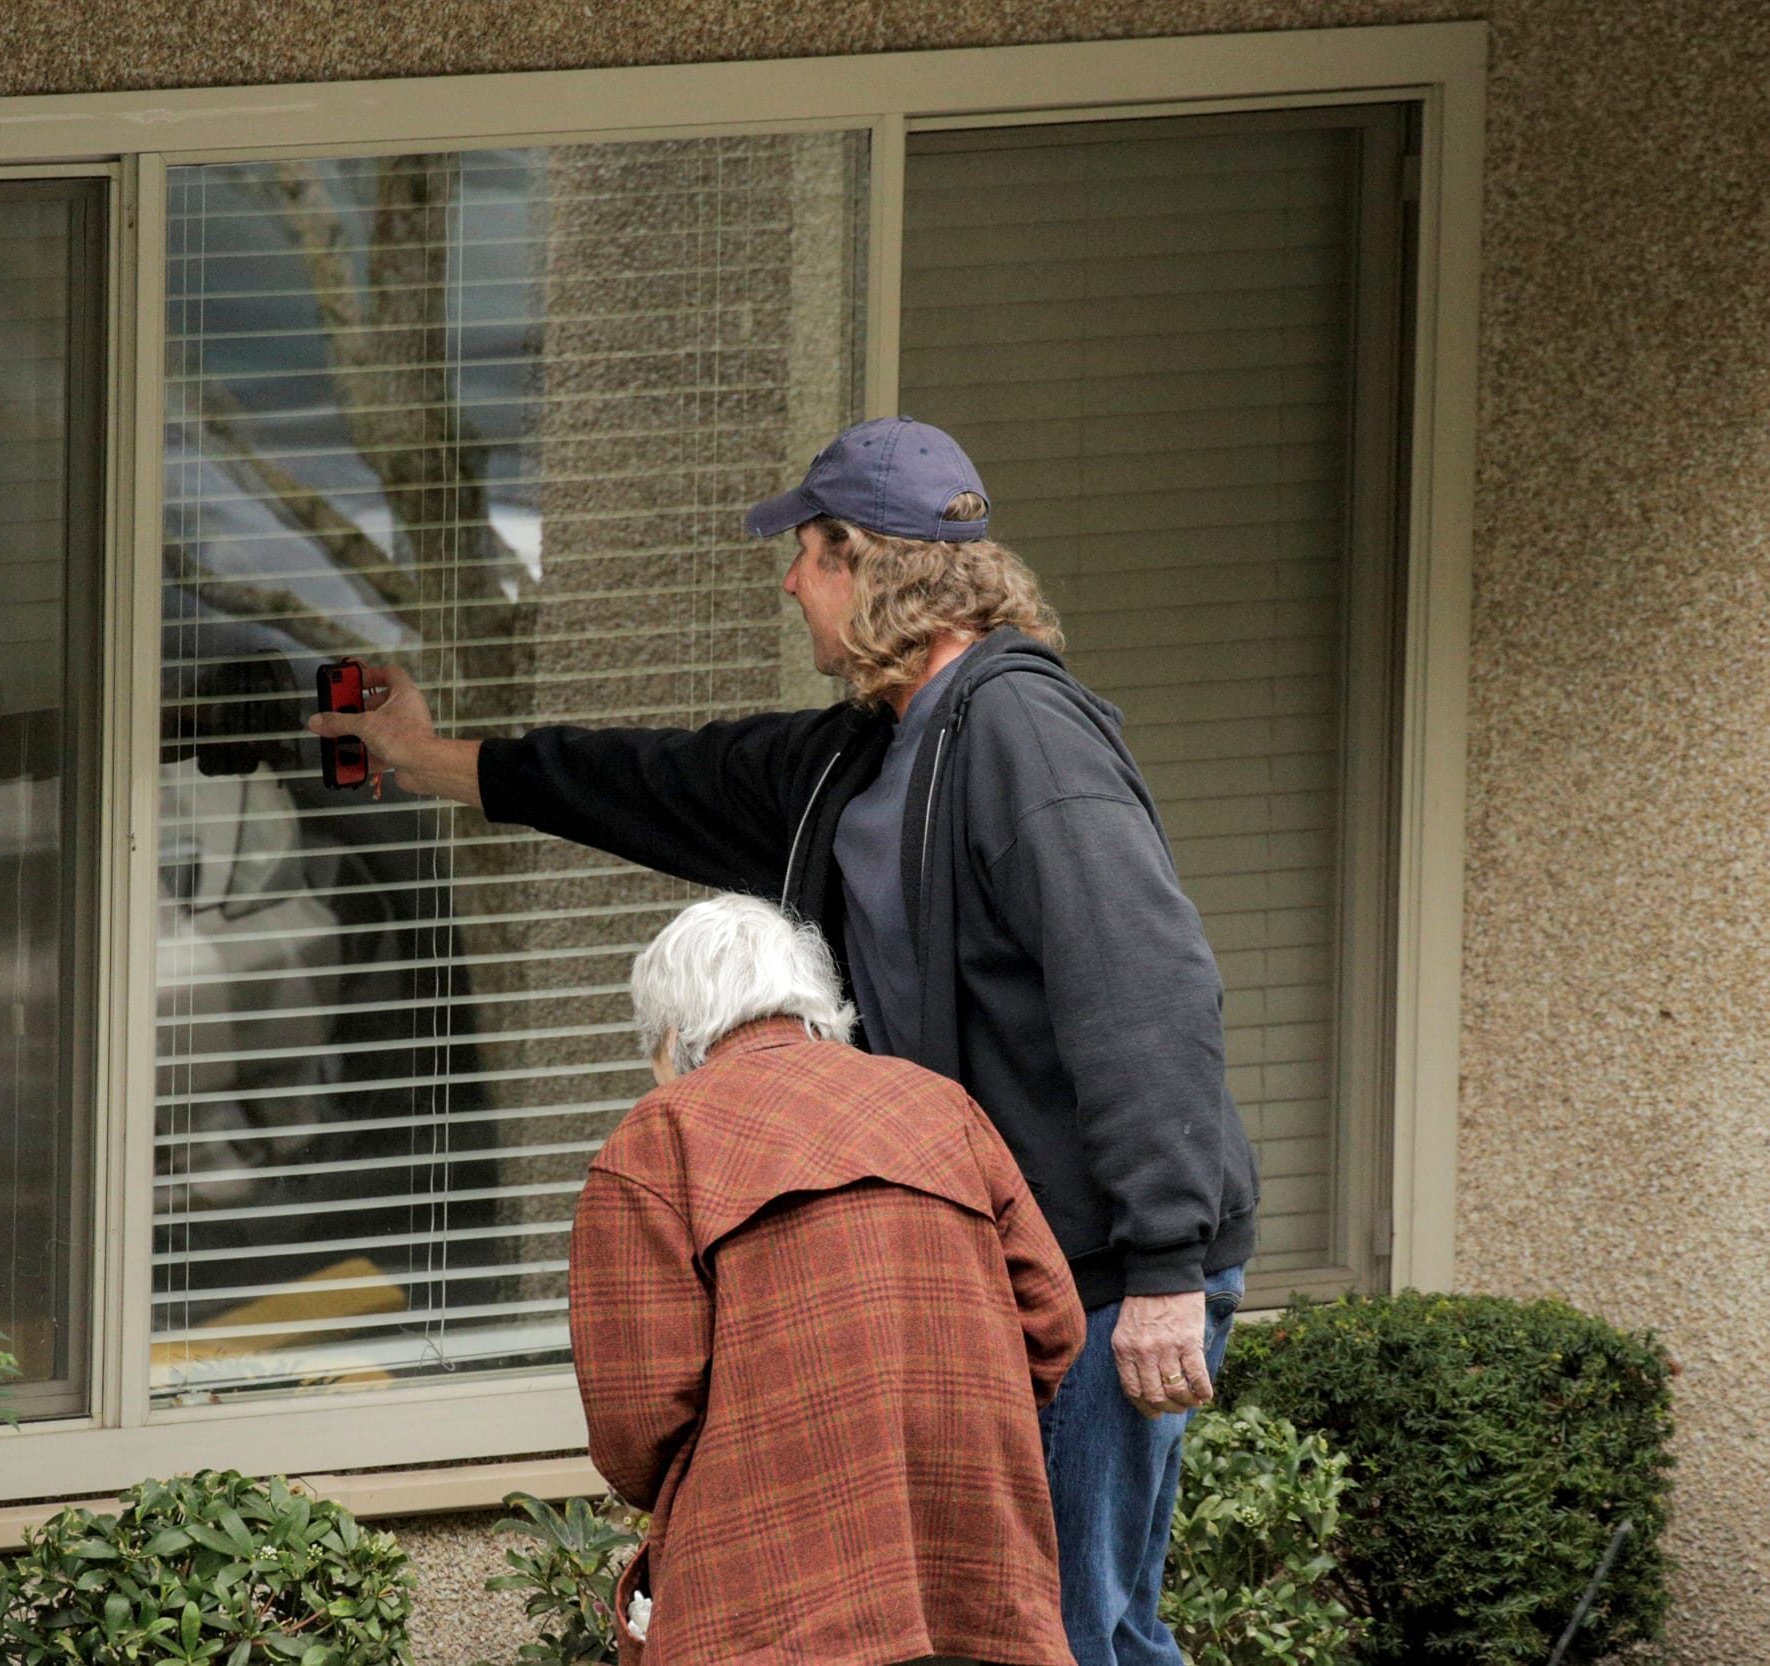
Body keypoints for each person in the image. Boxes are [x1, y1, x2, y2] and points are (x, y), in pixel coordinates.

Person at [308, 416, 1260, 1665]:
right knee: (1029, 1628)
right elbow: (652, 781)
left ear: (865, 562)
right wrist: (422, 757)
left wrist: (1163, 1271)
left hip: (1094, 1269)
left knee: (1073, 1628)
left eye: (804, 557)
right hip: (996, 1265)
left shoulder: (1026, 735)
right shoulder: (860, 756)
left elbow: (1143, 990)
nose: (787, 584)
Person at [572, 895, 1084, 1666]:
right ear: (813, 1003)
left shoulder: (658, 1140)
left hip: (769, 1593)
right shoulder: (938, 1105)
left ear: (675, 1037)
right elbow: (1053, 1325)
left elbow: (636, 1423)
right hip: (972, 1566)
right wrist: (954, 1411)